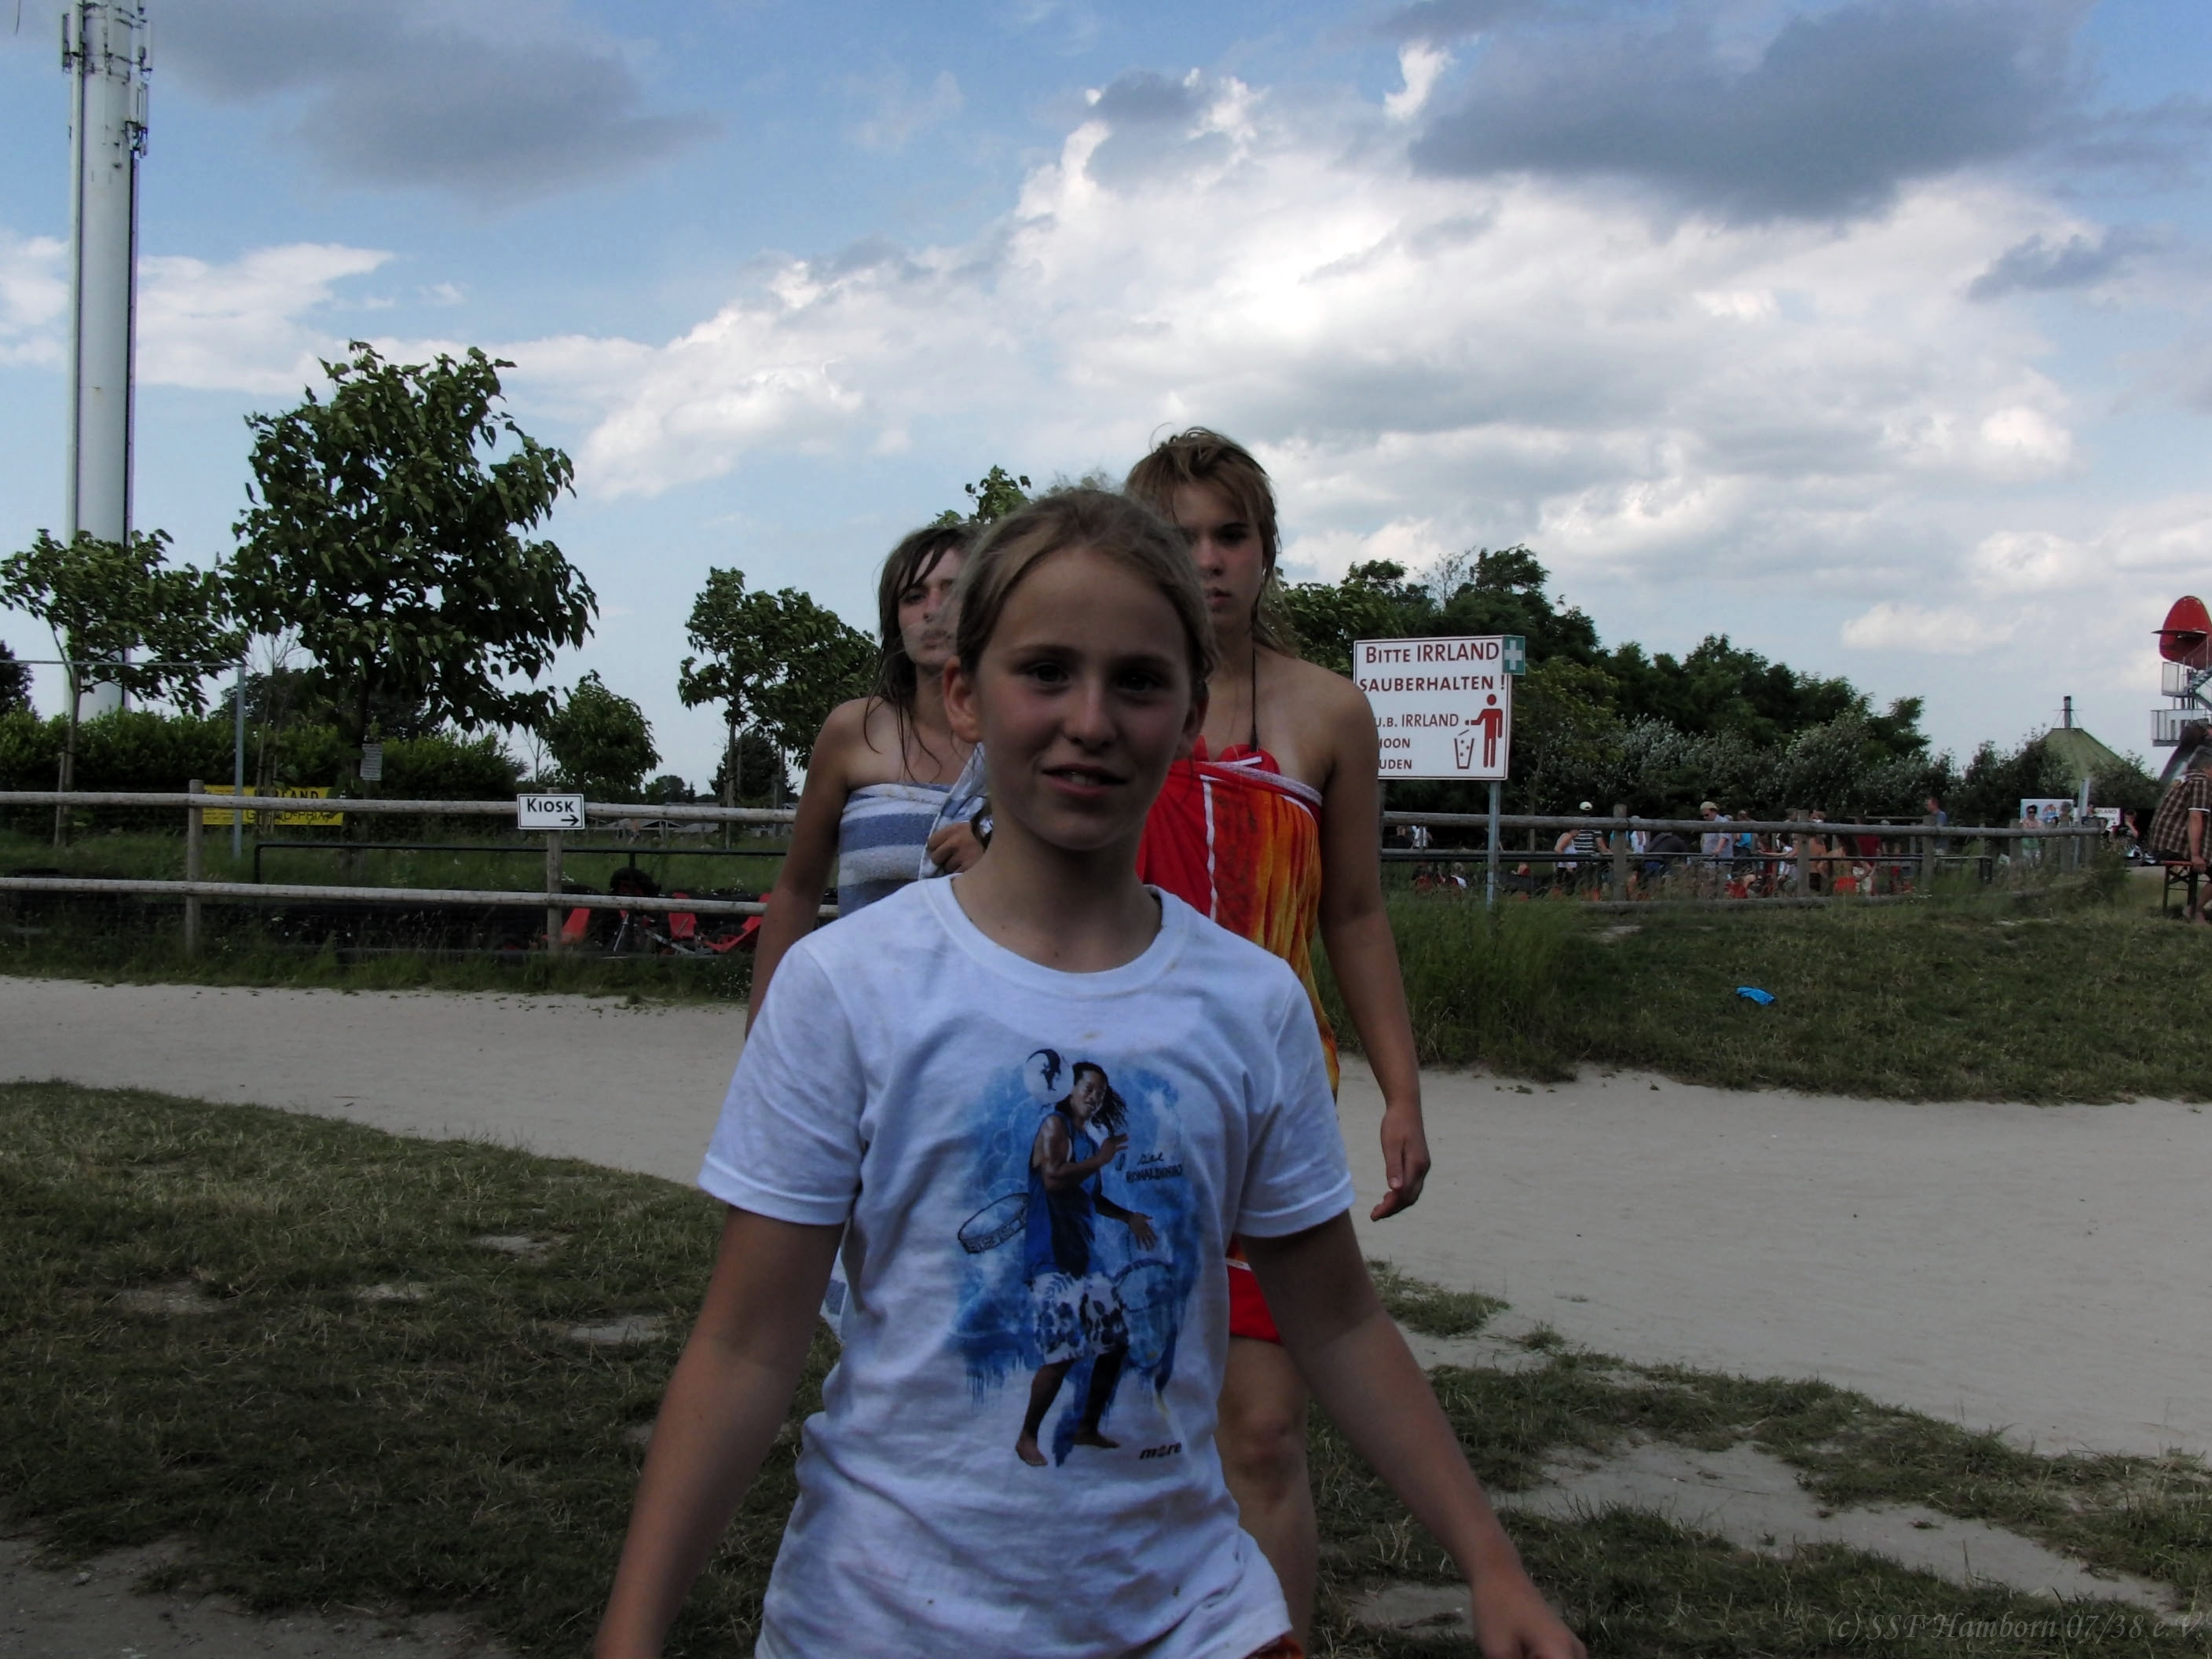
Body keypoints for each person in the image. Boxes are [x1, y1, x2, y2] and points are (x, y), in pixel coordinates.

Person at [592, 489, 1584, 1659]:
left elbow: (1338, 1321)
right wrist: (630, 1633)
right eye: (1045, 672)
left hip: (1187, 1617)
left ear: (1190, 715)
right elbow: (745, 1347)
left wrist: (1490, 1564)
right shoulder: (848, 987)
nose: (1091, 720)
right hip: (880, 1618)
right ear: (964, 692)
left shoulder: (1252, 1004)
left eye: (1139, 682)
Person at [1125, 430, 1433, 1642]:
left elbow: (1354, 914)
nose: (1207, 559)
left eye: (1230, 534)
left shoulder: (1329, 712)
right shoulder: (1105, 700)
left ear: (1267, 549)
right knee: (1118, 1417)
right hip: (1113, 1104)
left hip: (1270, 1106)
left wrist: (1402, 1092)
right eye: (1180, 536)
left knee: (1260, 1431)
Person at [750, 522, 987, 1016]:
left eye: (952, 590)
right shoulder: (853, 731)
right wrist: (765, 1021)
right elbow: (797, 890)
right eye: (913, 596)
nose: (933, 609)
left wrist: (997, 850)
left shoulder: (1023, 739)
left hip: (983, 1021)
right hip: (864, 1016)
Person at [2148, 729, 2212, 923]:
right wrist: (2196, 856)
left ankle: (2195, 910)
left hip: (2163, 842)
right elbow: (2195, 818)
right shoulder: (2202, 782)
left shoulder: (2184, 778)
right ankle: (2194, 910)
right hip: (2174, 845)